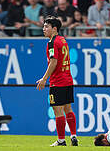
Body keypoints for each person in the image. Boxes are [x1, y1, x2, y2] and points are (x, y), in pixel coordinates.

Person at [36, 16, 78, 147]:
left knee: (57, 111)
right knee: (68, 109)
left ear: (54, 29)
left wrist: (44, 79)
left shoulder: (52, 43)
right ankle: (73, 135)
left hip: (57, 81)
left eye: (46, 27)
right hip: (68, 79)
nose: (44, 29)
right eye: (43, 27)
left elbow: (53, 61)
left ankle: (61, 140)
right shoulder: (63, 40)